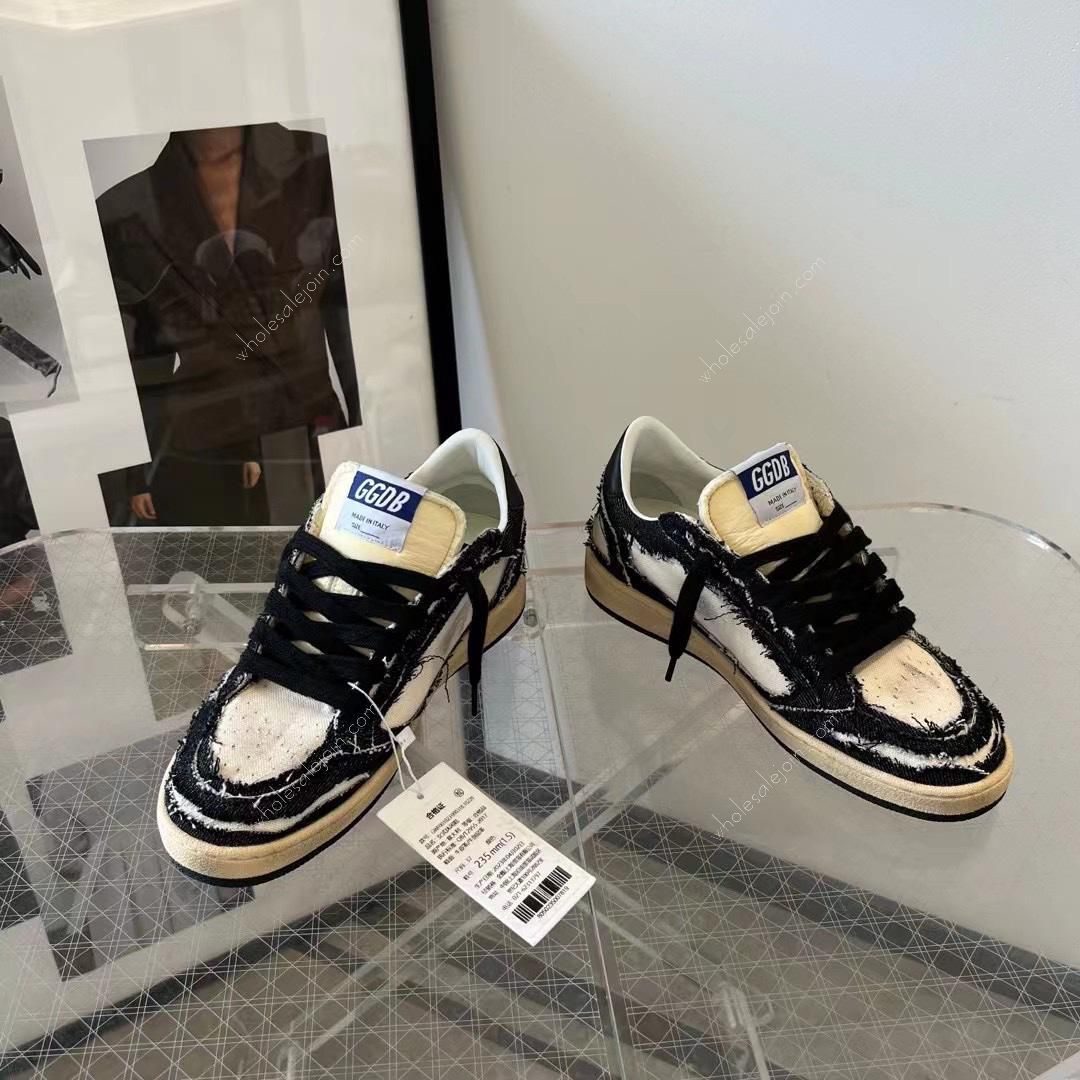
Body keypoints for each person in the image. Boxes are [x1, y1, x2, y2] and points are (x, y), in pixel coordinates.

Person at [96, 123, 359, 526]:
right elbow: (141, 362)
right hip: (203, 445)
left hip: (313, 433)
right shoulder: (122, 211)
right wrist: (138, 475)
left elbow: (349, 316)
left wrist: (366, 435)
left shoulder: (319, 164)